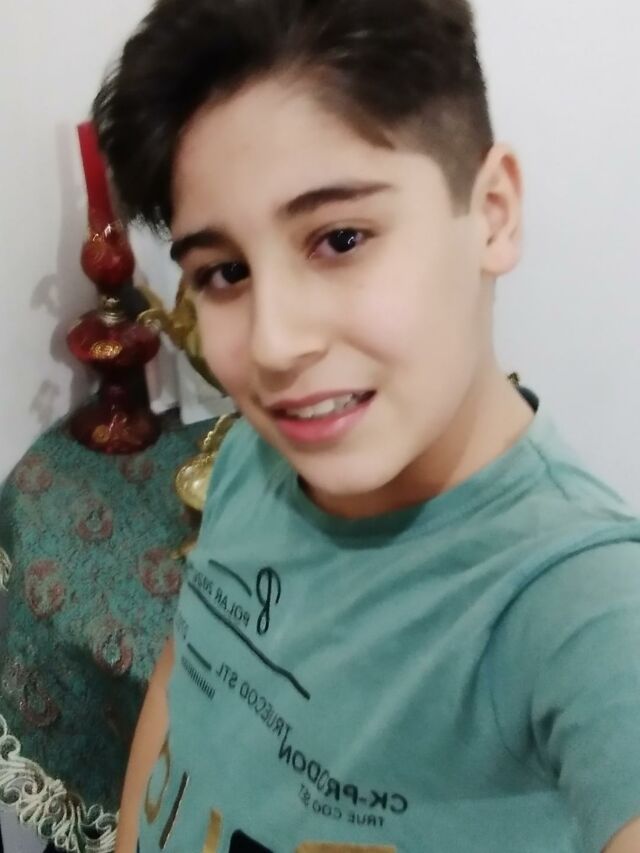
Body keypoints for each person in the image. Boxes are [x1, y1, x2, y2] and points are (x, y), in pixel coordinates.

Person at [92, 1, 640, 851]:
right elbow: (184, 676)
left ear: (493, 211)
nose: (274, 345)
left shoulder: (580, 605)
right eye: (225, 271)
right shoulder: (249, 460)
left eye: (341, 238)